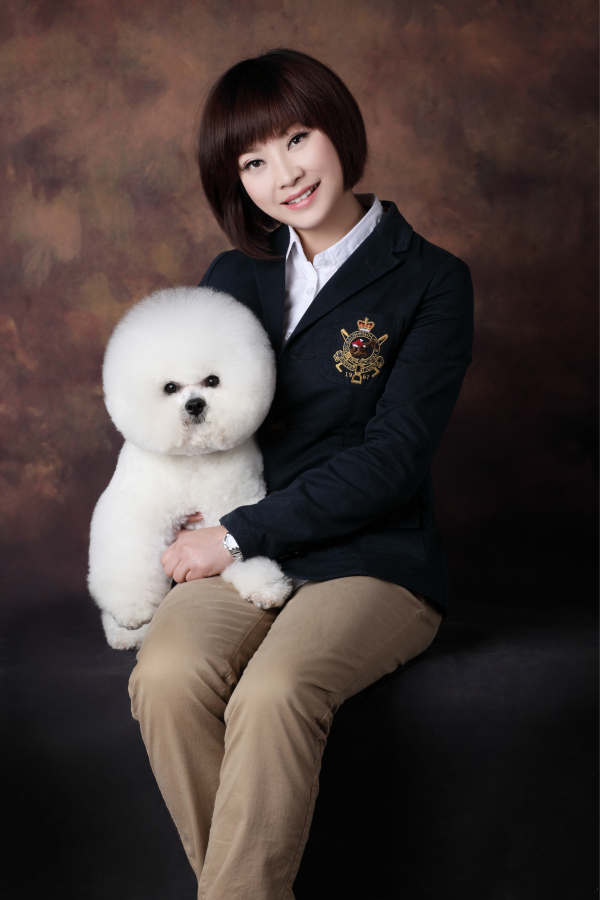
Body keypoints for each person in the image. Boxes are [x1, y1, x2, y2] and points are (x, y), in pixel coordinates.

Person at [128, 48, 473, 899]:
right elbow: (181, 416)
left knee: (275, 692)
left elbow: (392, 460)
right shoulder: (231, 275)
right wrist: (179, 511)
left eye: (296, 139)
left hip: (373, 558)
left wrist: (234, 534)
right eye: (252, 162)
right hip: (242, 555)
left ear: (338, 129)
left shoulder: (431, 280)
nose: (283, 175)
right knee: (164, 679)